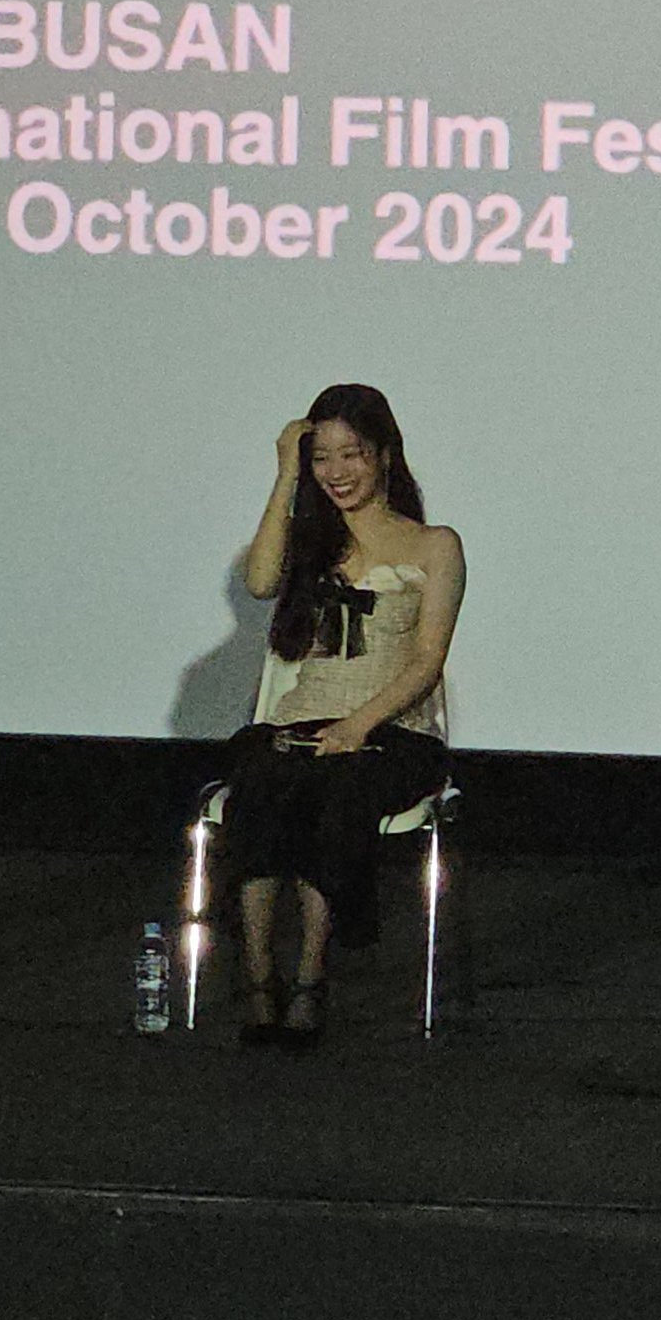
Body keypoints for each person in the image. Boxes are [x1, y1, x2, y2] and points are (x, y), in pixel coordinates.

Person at [221, 384, 465, 1048]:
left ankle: (310, 981)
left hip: (392, 732)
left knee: (337, 788)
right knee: (260, 780)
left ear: (383, 454)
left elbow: (427, 660)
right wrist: (284, 475)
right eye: (321, 457)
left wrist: (356, 727)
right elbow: (260, 582)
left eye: (350, 454)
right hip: (301, 723)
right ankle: (259, 980)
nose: (336, 472)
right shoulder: (311, 540)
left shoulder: (434, 545)